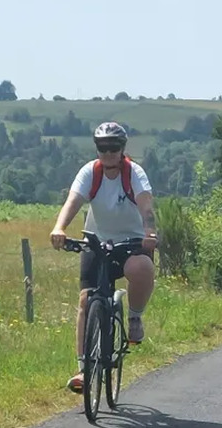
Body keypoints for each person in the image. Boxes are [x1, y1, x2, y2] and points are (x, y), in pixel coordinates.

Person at [49, 122, 158, 394]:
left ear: (123, 149)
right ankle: (84, 370)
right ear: (97, 148)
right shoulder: (90, 172)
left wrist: (150, 232)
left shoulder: (134, 173)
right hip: (97, 242)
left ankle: (134, 318)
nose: (108, 153)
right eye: (103, 147)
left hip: (132, 241)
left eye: (114, 147)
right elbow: (73, 202)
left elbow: (146, 205)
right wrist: (59, 228)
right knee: (86, 300)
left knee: (141, 267)